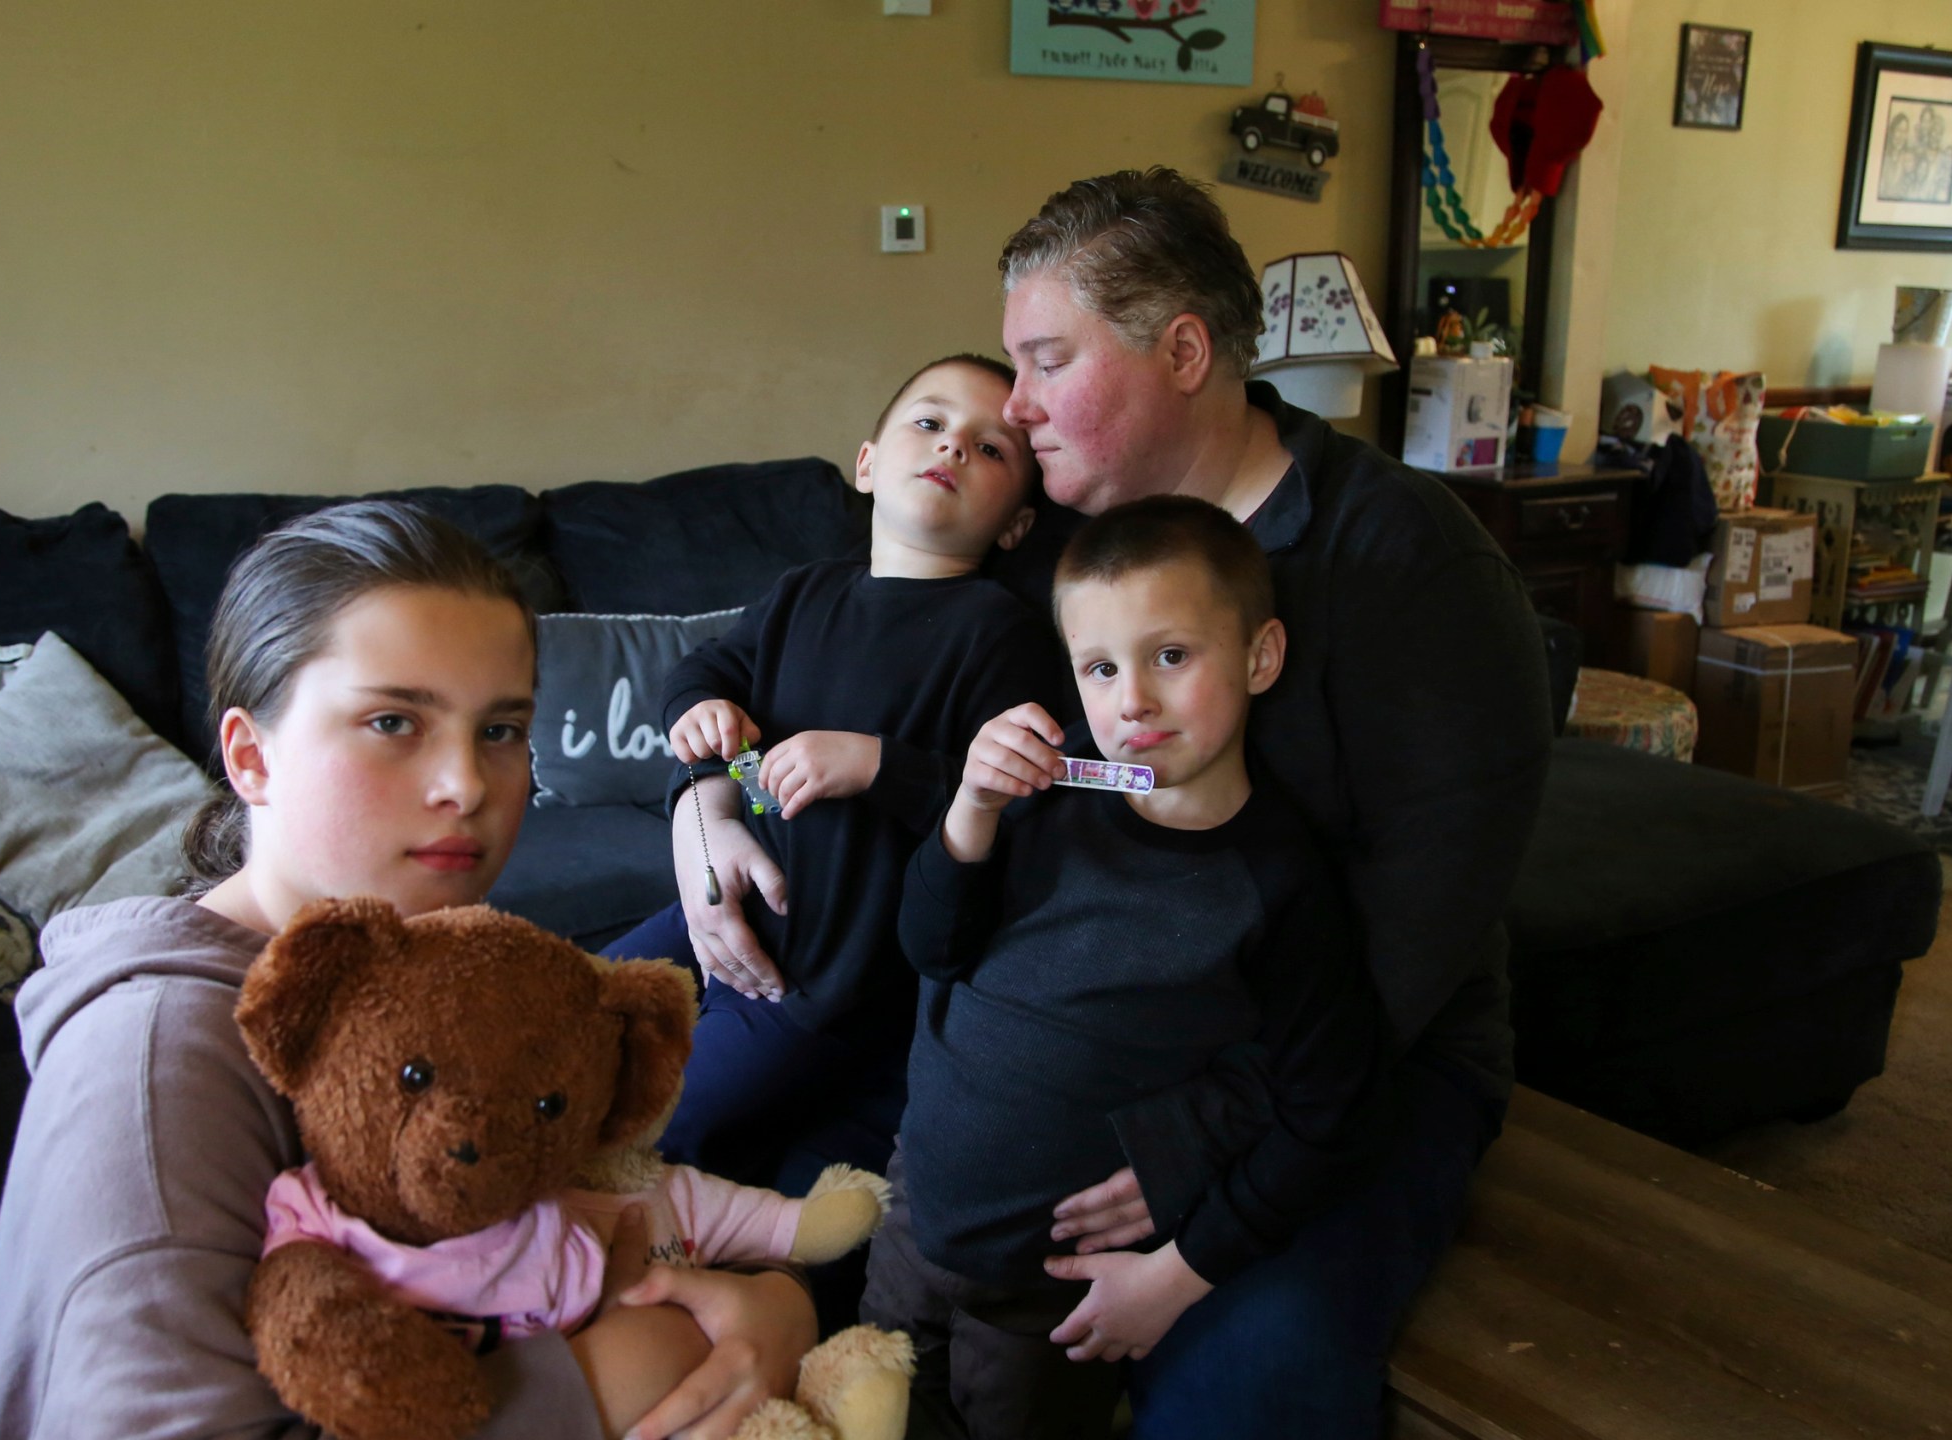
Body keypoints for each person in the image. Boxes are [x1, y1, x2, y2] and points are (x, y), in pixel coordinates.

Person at [0, 500, 818, 1440]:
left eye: (500, 730)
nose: (467, 783)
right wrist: (629, 1365)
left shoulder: (447, 976)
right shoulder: (158, 1056)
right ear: (251, 757)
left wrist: (773, 1308)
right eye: (392, 722)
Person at [990, 168, 1553, 1437]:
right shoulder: (1060, 550)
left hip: (1365, 1061)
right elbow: (862, 664)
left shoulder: (1407, 565)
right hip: (1130, 1015)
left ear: (1182, 351)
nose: (1013, 408)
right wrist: (710, 791)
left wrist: (1210, 1129)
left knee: (1240, 1385)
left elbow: (1427, 912)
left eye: (1044, 362)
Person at [861, 498, 1391, 1440]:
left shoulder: (1279, 882)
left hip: (1052, 1297)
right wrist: (970, 811)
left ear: (1260, 658)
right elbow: (931, 947)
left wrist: (1177, 1275)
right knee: (866, 1408)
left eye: (1172, 656)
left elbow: (1329, 1110)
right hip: (915, 1217)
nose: (1131, 700)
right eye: (1100, 669)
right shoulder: (1046, 788)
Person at [619, 355, 1067, 1189]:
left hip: (819, 986)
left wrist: (878, 766)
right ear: (867, 464)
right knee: (560, 1012)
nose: (954, 448)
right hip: (712, 905)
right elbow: (703, 675)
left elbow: (1021, 807)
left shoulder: (998, 632)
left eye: (992, 448)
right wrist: (704, 730)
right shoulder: (803, 593)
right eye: (929, 424)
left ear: (1015, 526)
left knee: (650, 1128)